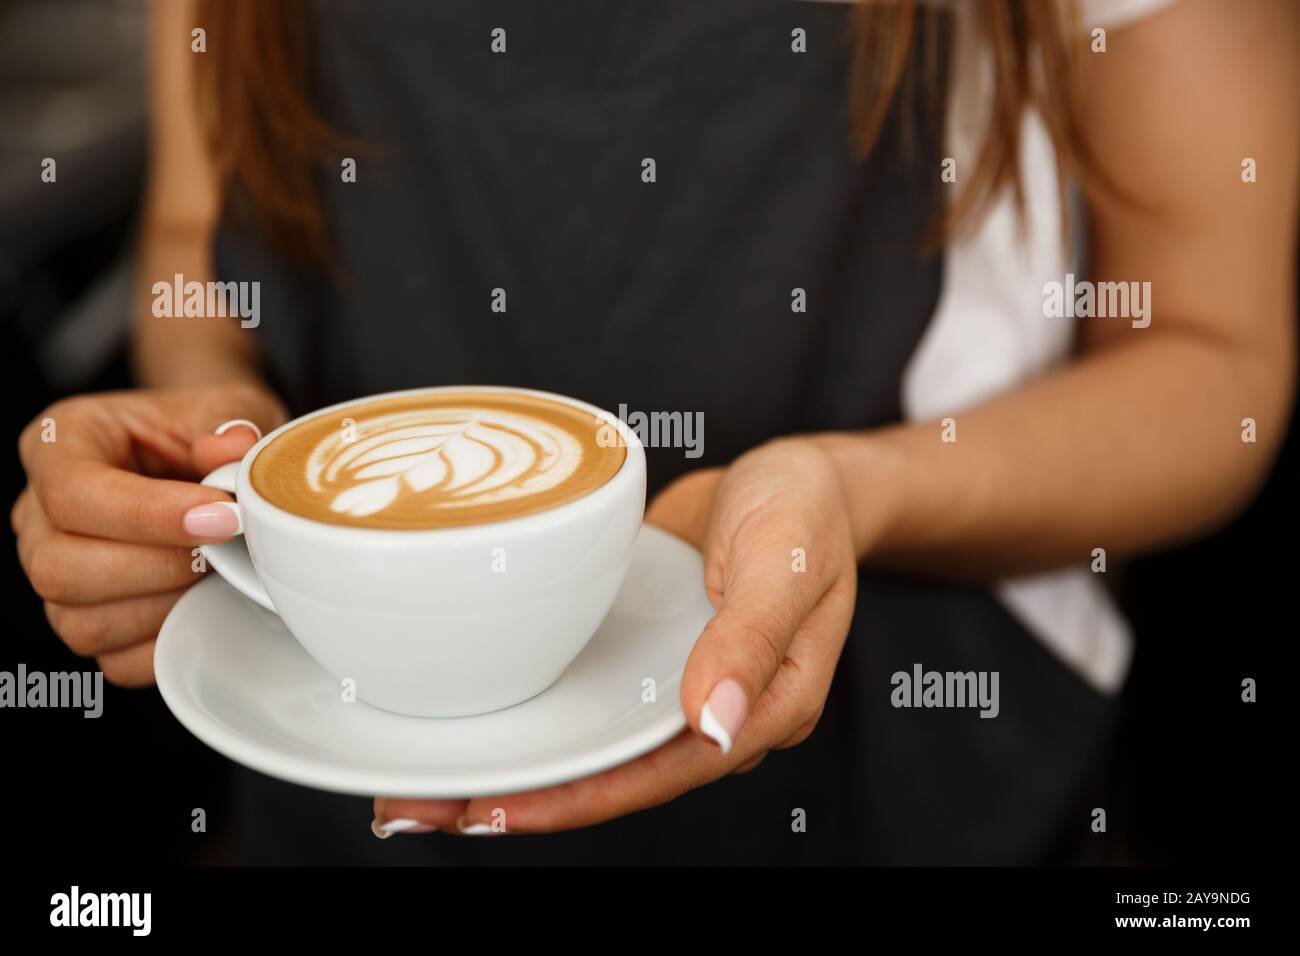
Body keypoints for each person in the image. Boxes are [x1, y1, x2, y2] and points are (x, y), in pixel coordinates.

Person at [12, 0, 1297, 864]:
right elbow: (197, 236)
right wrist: (216, 456)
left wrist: (855, 489)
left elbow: (1214, 357)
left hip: (908, 770)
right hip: (331, 763)